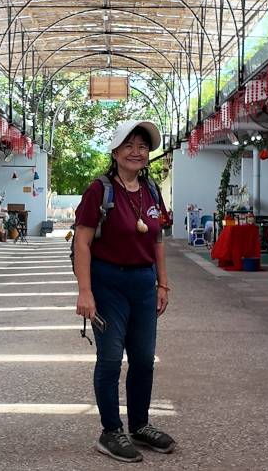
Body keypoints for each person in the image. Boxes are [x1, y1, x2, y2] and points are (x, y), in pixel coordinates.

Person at [73, 120, 176, 463]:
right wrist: (85, 291)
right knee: (111, 359)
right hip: (108, 283)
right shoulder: (99, 191)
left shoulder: (151, 190)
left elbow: (157, 239)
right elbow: (83, 244)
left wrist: (162, 282)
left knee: (144, 359)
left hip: (143, 284)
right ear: (115, 152)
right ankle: (110, 430)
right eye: (129, 145)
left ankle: (140, 426)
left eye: (143, 146)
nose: (136, 152)